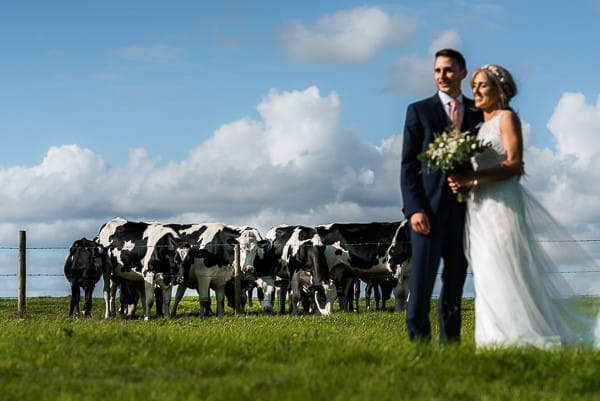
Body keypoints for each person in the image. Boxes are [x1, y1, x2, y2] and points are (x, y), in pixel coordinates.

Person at [448, 64, 599, 348]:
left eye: (482, 85)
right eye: (474, 86)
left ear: (499, 90)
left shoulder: (507, 118)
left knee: (505, 264)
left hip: (503, 203)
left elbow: (515, 165)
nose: (476, 91)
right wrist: (461, 181)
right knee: (485, 268)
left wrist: (473, 177)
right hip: (479, 206)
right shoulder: (478, 127)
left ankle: (521, 336)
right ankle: (492, 340)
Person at [400, 49, 483, 343]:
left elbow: (486, 159)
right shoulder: (419, 111)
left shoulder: (478, 112)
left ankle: (452, 342)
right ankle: (419, 341)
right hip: (427, 213)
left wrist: (473, 181)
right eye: (437, 70)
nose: (442, 76)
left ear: (462, 72)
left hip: (466, 213)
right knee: (421, 280)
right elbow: (408, 166)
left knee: (456, 280)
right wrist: (414, 210)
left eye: (448, 70)